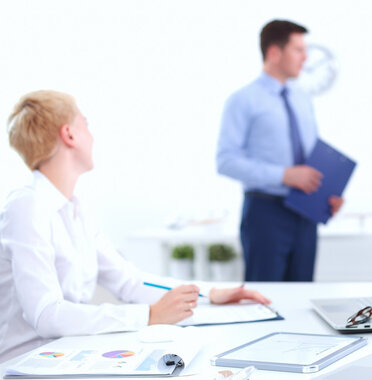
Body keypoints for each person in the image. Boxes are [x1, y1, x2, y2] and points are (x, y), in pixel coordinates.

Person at [0, 90, 270, 363]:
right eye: (86, 124)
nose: (92, 136)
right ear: (69, 135)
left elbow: (129, 281)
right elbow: (46, 315)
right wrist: (149, 315)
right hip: (26, 363)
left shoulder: (75, 210)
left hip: (64, 355)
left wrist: (209, 293)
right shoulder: (27, 206)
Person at [217, 20, 343, 282]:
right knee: (265, 298)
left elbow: (311, 156)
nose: (305, 57)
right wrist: (283, 175)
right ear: (274, 52)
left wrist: (327, 194)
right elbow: (226, 161)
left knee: (303, 295)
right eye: (298, 50)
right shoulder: (243, 100)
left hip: (306, 214)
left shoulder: (302, 98)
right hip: (266, 213)